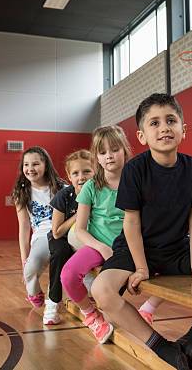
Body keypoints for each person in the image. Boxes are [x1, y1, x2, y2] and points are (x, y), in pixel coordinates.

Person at [91, 93, 192, 370]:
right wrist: (140, 268)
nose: (164, 127)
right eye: (154, 123)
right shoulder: (135, 171)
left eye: (171, 120)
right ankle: (160, 346)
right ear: (141, 136)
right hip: (137, 249)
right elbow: (131, 223)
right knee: (102, 291)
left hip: (177, 248)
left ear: (183, 130)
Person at [60, 125, 132, 344]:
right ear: (96, 158)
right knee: (68, 275)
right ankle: (91, 315)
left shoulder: (136, 182)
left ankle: (146, 309)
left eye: (115, 149)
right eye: (102, 152)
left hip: (127, 247)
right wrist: (101, 247)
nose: (109, 155)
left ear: (125, 151)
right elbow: (80, 228)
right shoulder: (91, 186)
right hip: (97, 245)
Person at [44, 149, 94, 325]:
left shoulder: (100, 193)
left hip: (88, 239)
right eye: (76, 173)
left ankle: (90, 294)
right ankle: (52, 302)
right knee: (60, 254)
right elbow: (57, 231)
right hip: (62, 238)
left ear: (96, 171)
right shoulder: (64, 196)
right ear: (69, 177)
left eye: (87, 171)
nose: (81, 177)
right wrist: (80, 212)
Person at [12, 146, 65, 310]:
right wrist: (24, 259)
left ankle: (55, 298)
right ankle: (36, 294)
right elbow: (24, 227)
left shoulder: (61, 187)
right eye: (26, 165)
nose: (30, 169)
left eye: (35, 164)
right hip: (42, 237)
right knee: (29, 271)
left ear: (45, 165)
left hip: (62, 232)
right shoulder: (21, 192)